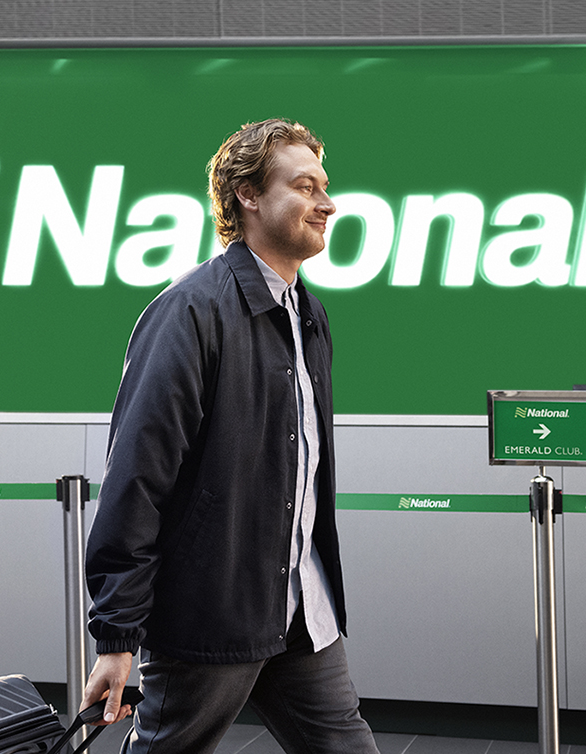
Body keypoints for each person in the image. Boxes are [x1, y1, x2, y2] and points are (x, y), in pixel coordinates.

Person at [80, 119, 380, 754]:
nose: (328, 204)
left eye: (325, 187)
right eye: (305, 187)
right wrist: (116, 635)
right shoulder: (190, 310)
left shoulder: (308, 313)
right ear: (248, 195)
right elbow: (138, 477)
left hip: (302, 612)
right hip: (213, 615)